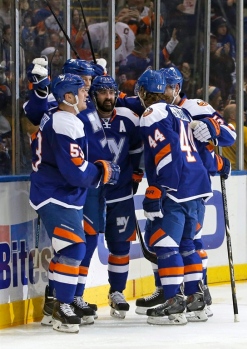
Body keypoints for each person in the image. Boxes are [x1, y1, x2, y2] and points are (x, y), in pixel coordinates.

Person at [29, 73, 120, 333]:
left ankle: (54, 306)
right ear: (68, 97)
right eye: (81, 91)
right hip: (55, 194)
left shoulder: (66, 119)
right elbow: (76, 172)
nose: (85, 95)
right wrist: (102, 172)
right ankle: (63, 306)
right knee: (74, 249)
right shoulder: (64, 122)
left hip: (61, 193)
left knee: (68, 250)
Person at [135, 69, 211, 325]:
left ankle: (174, 303)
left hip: (176, 186)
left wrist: (159, 188)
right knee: (188, 243)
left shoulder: (151, 113)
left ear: (145, 93)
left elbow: (165, 151)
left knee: (165, 243)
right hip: (197, 185)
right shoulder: (181, 111)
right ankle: (195, 298)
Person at [89, 75, 143, 319]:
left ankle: (117, 292)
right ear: (93, 94)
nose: (108, 97)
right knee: (84, 246)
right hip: (91, 194)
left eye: (112, 92)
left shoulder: (128, 119)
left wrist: (135, 176)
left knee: (121, 246)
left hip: (120, 194)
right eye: (102, 92)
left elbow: (136, 151)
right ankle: (77, 295)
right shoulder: (83, 120)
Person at [222, 103, 247, 170]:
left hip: (224, 171)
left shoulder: (219, 132)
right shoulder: (243, 130)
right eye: (241, 111)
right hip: (243, 171)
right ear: (232, 116)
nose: (244, 113)